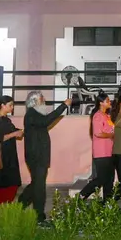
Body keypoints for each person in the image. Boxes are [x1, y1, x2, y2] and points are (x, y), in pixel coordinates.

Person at [19, 92, 71, 225]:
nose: (44, 101)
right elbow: (46, 121)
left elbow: (44, 122)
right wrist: (63, 106)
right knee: (39, 186)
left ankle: (20, 205)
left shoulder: (35, 114)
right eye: (42, 99)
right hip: (36, 156)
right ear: (34, 101)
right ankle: (39, 216)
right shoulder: (31, 114)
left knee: (36, 183)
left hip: (40, 156)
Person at [0, 95, 24, 205]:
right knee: (0, 179)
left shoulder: (6, 120)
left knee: (11, 178)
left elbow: (13, 131)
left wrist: (22, 131)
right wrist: (14, 134)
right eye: (10, 105)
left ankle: (7, 202)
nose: (12, 107)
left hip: (9, 154)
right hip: (0, 154)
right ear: (3, 105)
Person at [80, 93, 115, 200]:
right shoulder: (98, 116)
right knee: (101, 179)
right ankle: (81, 195)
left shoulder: (106, 116)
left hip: (109, 151)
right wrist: (111, 135)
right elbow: (98, 133)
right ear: (101, 103)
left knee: (109, 179)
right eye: (107, 100)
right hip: (101, 152)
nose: (110, 102)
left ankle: (107, 203)